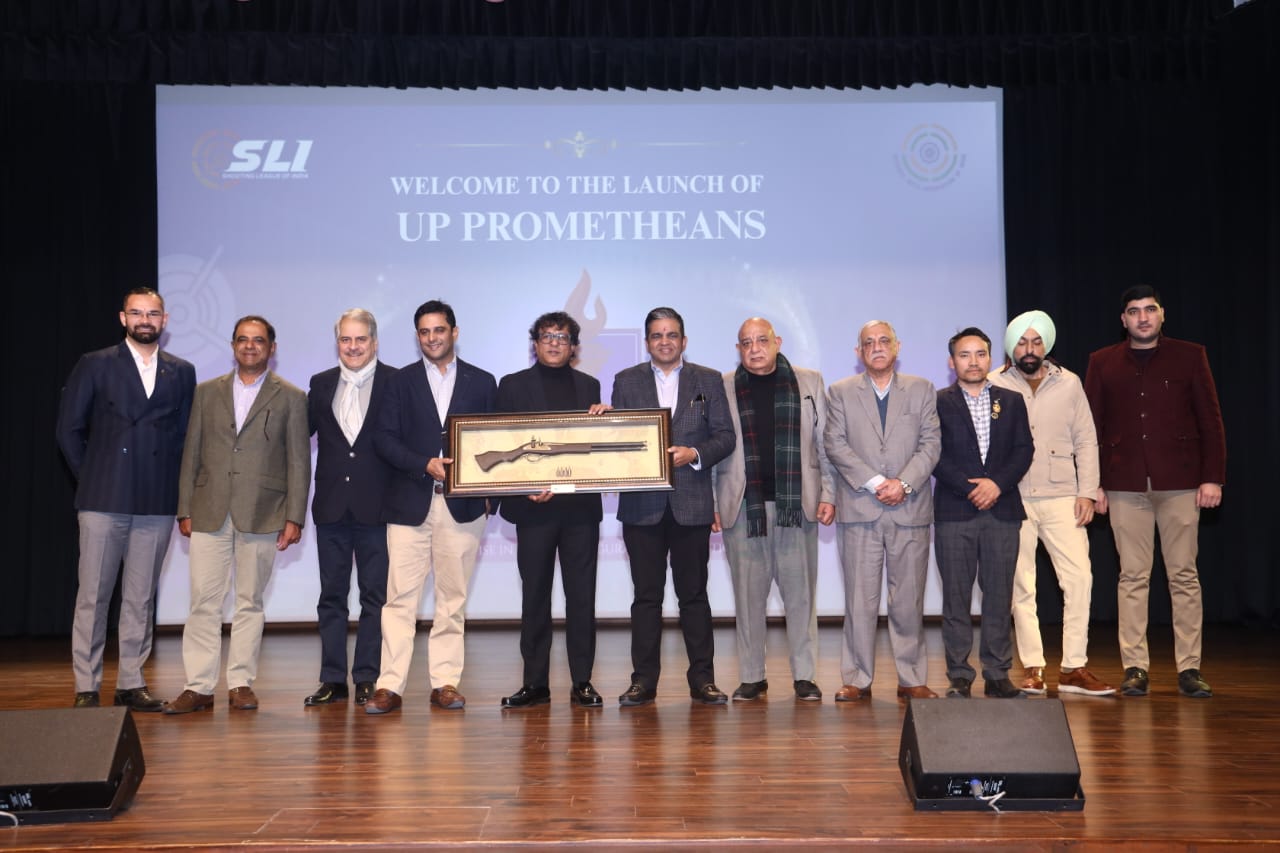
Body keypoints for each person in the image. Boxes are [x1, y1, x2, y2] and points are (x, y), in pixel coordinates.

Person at [56, 287, 196, 710]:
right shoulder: (95, 363)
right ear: (123, 318)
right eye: (137, 313)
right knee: (93, 596)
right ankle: (86, 685)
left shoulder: (181, 371)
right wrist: (93, 477)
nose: (144, 320)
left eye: (152, 314)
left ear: (164, 320)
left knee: (141, 597)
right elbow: (68, 430)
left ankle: (131, 683)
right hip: (103, 498)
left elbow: (186, 438)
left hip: (156, 499)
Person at [163, 316, 310, 714]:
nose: (250, 346)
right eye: (243, 339)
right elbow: (191, 452)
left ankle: (241, 683)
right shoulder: (206, 392)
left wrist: (295, 516)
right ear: (232, 345)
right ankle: (198, 686)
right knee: (203, 602)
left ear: (272, 348)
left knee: (250, 602)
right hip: (208, 509)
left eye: (258, 340)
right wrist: (184, 507)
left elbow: (299, 462)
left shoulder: (292, 397)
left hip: (264, 511)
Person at [1085, 286, 1225, 699]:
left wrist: (1212, 477)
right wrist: (1092, 484)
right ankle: (1135, 667)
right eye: (1134, 311)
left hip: (1181, 481)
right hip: (1123, 484)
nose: (1143, 317)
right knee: (1132, 576)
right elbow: (1090, 427)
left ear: (1162, 314)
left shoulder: (1191, 356)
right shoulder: (1102, 362)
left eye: (1150, 310)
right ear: (1123, 319)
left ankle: (1190, 668)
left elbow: (1211, 420)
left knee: (1184, 575)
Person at [365, 300, 496, 714]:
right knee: (399, 600)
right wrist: (423, 463)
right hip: (409, 504)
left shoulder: (483, 381)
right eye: (424, 331)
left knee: (452, 599)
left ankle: (445, 683)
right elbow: (383, 439)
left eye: (439, 330)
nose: (432, 338)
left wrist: (489, 496)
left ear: (454, 332)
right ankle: (389, 685)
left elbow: (495, 439)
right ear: (417, 336)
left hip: (463, 508)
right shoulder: (397, 381)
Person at [612, 307, 736, 706]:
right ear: (647, 342)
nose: (664, 342)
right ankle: (643, 682)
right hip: (641, 507)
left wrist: (694, 454)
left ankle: (703, 680)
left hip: (692, 504)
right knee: (646, 599)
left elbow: (725, 436)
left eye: (671, 335)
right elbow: (619, 439)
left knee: (694, 597)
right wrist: (603, 421)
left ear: (683, 341)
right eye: (656, 335)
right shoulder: (626, 380)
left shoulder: (708, 379)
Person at [990, 310, 1115, 697]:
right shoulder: (994, 382)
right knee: (1021, 585)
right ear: (1011, 347)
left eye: (1036, 341)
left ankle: (1074, 667)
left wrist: (1087, 491)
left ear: (1047, 345)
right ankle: (1033, 667)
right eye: (1022, 343)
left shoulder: (1069, 382)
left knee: (1079, 579)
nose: (1029, 349)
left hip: (1064, 495)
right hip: (1012, 498)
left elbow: (1086, 440)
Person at [711, 318, 835, 702]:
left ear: (777, 342)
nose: (754, 349)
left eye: (761, 340)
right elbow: (714, 447)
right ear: (738, 348)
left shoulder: (809, 382)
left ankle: (805, 677)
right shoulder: (722, 386)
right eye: (746, 343)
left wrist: (829, 493)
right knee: (748, 599)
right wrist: (714, 504)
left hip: (797, 504)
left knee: (801, 596)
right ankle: (752, 677)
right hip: (742, 505)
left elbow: (825, 444)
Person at [824, 320, 941, 703]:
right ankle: (857, 678)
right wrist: (877, 483)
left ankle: (911, 678)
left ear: (897, 346)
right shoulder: (840, 392)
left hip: (910, 508)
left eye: (884, 341)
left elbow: (931, 444)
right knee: (860, 601)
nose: (877, 347)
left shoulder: (922, 389)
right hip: (860, 508)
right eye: (869, 343)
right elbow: (835, 444)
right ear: (858, 352)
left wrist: (903, 483)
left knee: (908, 600)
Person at [497, 312, 609, 709]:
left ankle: (582, 682)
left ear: (574, 346)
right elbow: (501, 445)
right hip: (534, 512)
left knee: (582, 599)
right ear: (535, 343)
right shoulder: (511, 386)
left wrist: (607, 423)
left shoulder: (590, 386)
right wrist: (524, 488)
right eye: (546, 336)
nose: (554, 343)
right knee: (534, 599)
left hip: (580, 512)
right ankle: (534, 683)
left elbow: (593, 449)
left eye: (562, 337)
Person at [302, 309, 397, 707]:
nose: (353, 346)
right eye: (346, 339)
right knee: (332, 596)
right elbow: (298, 436)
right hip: (331, 507)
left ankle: (367, 677)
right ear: (337, 342)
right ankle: (332, 679)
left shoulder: (396, 381)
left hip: (379, 508)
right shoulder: (320, 383)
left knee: (376, 598)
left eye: (360, 339)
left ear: (374, 342)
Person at [933, 326, 1033, 699]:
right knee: (955, 598)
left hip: (1002, 510)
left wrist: (996, 485)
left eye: (980, 354)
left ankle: (997, 673)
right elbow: (933, 453)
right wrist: (970, 487)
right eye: (964, 355)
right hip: (954, 511)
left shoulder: (1012, 400)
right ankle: (959, 675)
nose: (973, 361)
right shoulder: (938, 402)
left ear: (990, 358)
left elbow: (1024, 450)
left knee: (999, 596)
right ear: (951, 362)